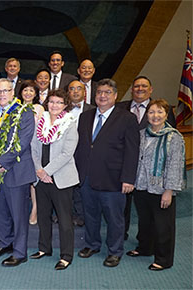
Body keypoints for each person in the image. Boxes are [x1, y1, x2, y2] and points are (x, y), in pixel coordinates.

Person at [75, 78, 139, 268]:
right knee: (90, 215)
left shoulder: (127, 118)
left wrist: (128, 178)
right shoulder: (84, 117)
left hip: (114, 179)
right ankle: (92, 244)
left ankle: (114, 251)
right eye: (99, 92)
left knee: (114, 218)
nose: (102, 96)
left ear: (115, 96)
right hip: (86, 177)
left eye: (107, 92)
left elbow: (132, 150)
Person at [127, 99, 185, 271]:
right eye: (151, 112)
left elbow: (175, 164)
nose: (155, 116)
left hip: (161, 188)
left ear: (166, 115)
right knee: (145, 221)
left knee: (163, 225)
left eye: (159, 112)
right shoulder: (141, 133)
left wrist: (169, 190)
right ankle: (145, 248)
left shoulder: (174, 137)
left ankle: (163, 259)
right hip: (142, 186)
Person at [116, 76, 176, 240]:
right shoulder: (120, 107)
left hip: (151, 172)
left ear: (151, 89)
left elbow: (170, 144)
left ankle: (151, 244)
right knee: (124, 205)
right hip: (125, 166)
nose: (140, 89)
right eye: (136, 86)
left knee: (151, 212)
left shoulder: (162, 110)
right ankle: (123, 235)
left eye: (144, 86)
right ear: (131, 89)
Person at [0, 79, 36, 267]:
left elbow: (22, 143)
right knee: (2, 211)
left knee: (18, 214)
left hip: (16, 171)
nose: (2, 94)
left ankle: (20, 252)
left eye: (5, 91)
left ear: (13, 91)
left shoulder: (25, 112)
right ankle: (5, 244)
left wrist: (1, 163)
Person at [30, 89, 78, 270]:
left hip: (60, 178)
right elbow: (33, 148)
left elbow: (67, 153)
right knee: (43, 215)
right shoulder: (40, 122)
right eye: (51, 102)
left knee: (64, 219)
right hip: (41, 177)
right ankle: (44, 248)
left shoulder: (69, 123)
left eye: (58, 102)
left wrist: (47, 171)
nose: (54, 105)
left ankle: (66, 255)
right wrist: (39, 171)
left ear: (65, 105)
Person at [17, 79, 45, 225]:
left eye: (31, 91)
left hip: (34, 147)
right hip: (18, 148)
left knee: (34, 180)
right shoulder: (15, 107)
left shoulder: (39, 109)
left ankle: (35, 209)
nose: (28, 93)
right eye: (25, 90)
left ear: (35, 94)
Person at [68, 80, 95, 227]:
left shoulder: (93, 110)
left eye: (79, 89)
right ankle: (65, 214)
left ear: (85, 92)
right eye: (72, 89)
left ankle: (81, 215)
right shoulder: (61, 108)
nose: (75, 92)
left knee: (81, 185)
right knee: (64, 186)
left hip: (84, 153)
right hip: (65, 152)